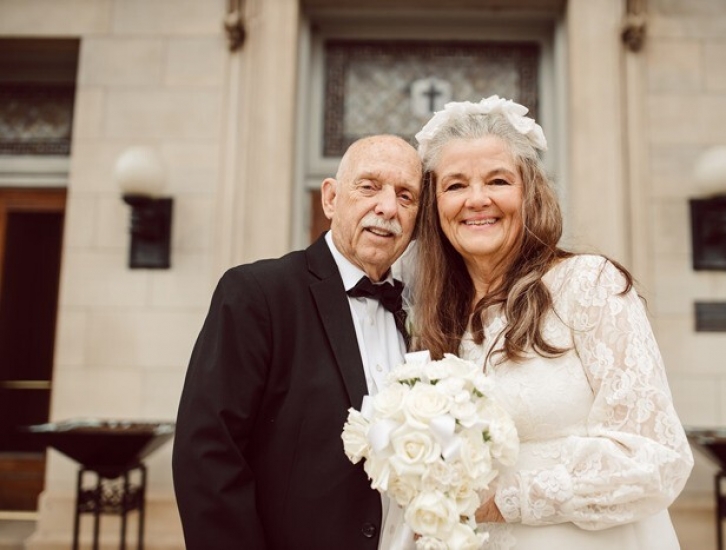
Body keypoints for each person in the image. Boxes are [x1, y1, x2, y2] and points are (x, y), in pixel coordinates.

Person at [410, 96, 694, 549]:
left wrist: (504, 499)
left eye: (498, 180)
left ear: (529, 192)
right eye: (455, 185)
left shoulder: (589, 285)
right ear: (436, 205)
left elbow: (657, 459)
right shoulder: (441, 322)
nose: (477, 199)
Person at [172, 134, 423, 550]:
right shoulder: (258, 294)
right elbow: (208, 456)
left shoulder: (425, 310)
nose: (387, 207)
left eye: (406, 196)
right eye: (369, 186)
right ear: (330, 198)